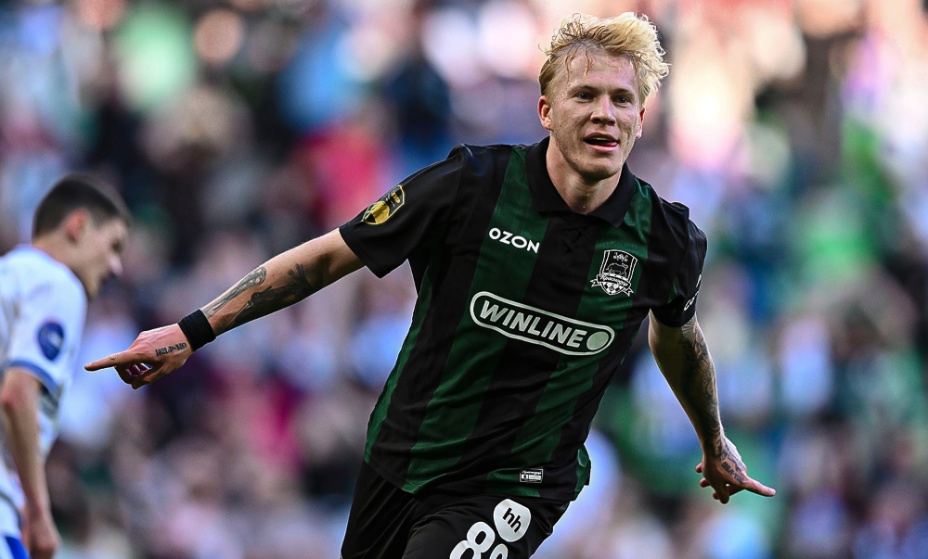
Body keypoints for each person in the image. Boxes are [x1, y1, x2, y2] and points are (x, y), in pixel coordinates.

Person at [86, 12, 775, 558]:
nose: (605, 113)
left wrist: (713, 440)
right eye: (585, 94)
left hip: (519, 483)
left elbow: (677, 336)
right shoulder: (470, 186)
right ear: (545, 109)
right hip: (404, 454)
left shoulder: (666, 241)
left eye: (623, 100)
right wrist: (193, 329)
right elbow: (327, 259)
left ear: (641, 120)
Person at [1, 174, 130, 559]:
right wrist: (39, 513)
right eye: (113, 246)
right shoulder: (58, 283)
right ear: (78, 226)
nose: (116, 266)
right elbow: (17, 394)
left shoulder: (11, 276)